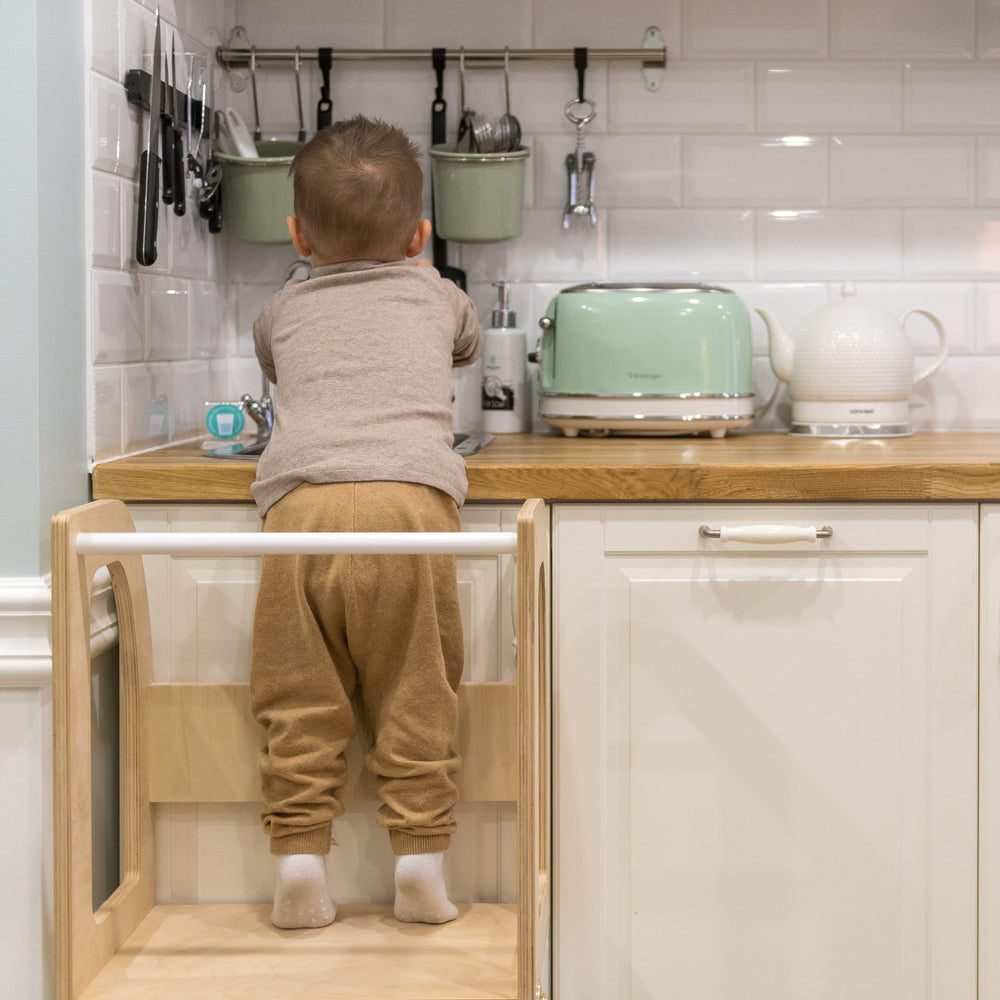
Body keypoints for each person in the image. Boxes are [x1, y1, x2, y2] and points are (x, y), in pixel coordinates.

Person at [248, 115, 483, 930]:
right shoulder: (442, 295)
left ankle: (299, 860)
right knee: (417, 687)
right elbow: (464, 345)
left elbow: (278, 365)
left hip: (302, 510)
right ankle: (419, 860)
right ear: (420, 235)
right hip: (409, 508)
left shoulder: (280, 309)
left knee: (297, 692)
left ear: (296, 235)